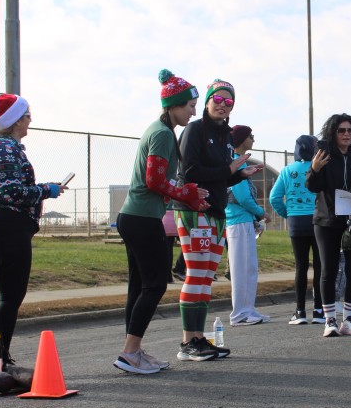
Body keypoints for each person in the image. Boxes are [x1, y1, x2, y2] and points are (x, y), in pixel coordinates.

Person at [112, 71, 210, 374]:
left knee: (139, 286)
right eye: (190, 106)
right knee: (155, 285)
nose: (194, 111)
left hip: (134, 216)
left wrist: (187, 193)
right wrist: (186, 194)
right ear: (174, 105)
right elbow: (153, 180)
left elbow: (158, 181)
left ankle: (133, 350)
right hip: (142, 218)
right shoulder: (163, 134)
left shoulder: (159, 129)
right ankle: (130, 352)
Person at [0, 94, 65, 369]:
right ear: (14, 121)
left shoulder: (1, 147)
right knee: (10, 296)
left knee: (5, 296)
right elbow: (10, 191)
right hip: (7, 224)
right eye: (26, 116)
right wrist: (46, 190)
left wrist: (43, 190)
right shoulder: (6, 148)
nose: (30, 120)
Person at [178, 78, 263, 359]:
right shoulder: (195, 130)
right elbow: (190, 171)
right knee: (196, 274)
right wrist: (228, 170)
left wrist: (238, 174)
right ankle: (188, 342)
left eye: (229, 101)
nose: (223, 105)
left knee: (206, 277)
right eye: (218, 99)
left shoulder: (226, 136)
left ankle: (198, 339)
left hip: (217, 211)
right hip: (195, 211)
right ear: (207, 102)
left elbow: (220, 176)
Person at [307, 113, 351, 337]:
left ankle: (349, 319)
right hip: (326, 220)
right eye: (341, 130)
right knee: (328, 270)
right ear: (333, 133)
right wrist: (315, 169)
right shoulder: (324, 155)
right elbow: (312, 187)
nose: (346, 134)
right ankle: (330, 320)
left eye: (350, 130)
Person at [270, 134, 324, 325]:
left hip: (296, 221)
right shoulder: (319, 167)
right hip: (318, 220)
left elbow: (274, 198)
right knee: (320, 266)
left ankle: (300, 311)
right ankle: (319, 311)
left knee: (301, 266)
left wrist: (288, 214)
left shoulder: (287, 170)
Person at [226, 125, 271, 325]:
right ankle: (240, 314)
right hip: (238, 222)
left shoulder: (239, 162)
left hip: (243, 222)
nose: (253, 139)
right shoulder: (236, 163)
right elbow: (243, 197)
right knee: (242, 269)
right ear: (242, 139)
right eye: (250, 136)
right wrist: (261, 213)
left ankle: (248, 309)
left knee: (249, 268)